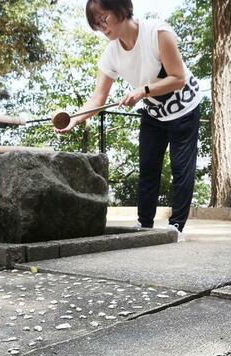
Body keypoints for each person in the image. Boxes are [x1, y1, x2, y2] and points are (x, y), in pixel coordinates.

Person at [56, 0, 202, 232]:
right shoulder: (111, 54)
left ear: (120, 8)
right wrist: (74, 119)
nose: (102, 28)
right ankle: (144, 226)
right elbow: (98, 99)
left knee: (181, 169)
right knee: (147, 167)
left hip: (184, 109)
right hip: (154, 113)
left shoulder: (157, 33)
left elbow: (178, 78)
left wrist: (142, 91)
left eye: (104, 19)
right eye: (96, 24)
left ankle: (176, 227)